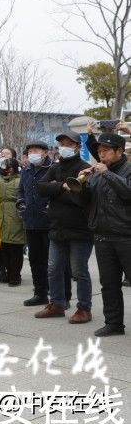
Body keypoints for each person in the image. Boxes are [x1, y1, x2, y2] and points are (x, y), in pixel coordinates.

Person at [35, 131, 93, 323]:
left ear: (77, 146)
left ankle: (84, 308)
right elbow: (41, 187)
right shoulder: (56, 167)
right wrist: (63, 187)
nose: (64, 147)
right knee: (53, 269)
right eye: (61, 144)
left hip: (79, 229)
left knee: (79, 271)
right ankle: (57, 304)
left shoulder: (85, 168)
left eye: (69, 144)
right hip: (57, 227)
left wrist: (56, 190)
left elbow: (81, 199)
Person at [80, 132, 131, 337]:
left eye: (105, 151)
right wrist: (81, 185)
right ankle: (114, 323)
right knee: (108, 284)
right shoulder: (98, 174)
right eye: (99, 151)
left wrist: (107, 173)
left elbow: (128, 193)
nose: (101, 155)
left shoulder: (126, 170)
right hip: (102, 235)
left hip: (126, 235)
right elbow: (87, 203)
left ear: (119, 151)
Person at [18, 141, 70, 308]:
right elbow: (21, 191)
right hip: (31, 222)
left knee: (57, 262)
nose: (32, 153)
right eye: (30, 151)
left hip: (50, 222)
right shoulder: (26, 171)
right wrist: (21, 203)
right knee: (35, 260)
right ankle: (40, 293)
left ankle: (64, 296)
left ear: (45, 153)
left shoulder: (54, 169)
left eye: (36, 150)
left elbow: (62, 190)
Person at [0, 158, 25, 286]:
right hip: (0, 216)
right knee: (3, 248)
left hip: (15, 216)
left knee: (15, 248)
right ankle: (6, 272)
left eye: (8, 166)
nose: (6, 168)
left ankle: (15, 275)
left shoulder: (21, 180)